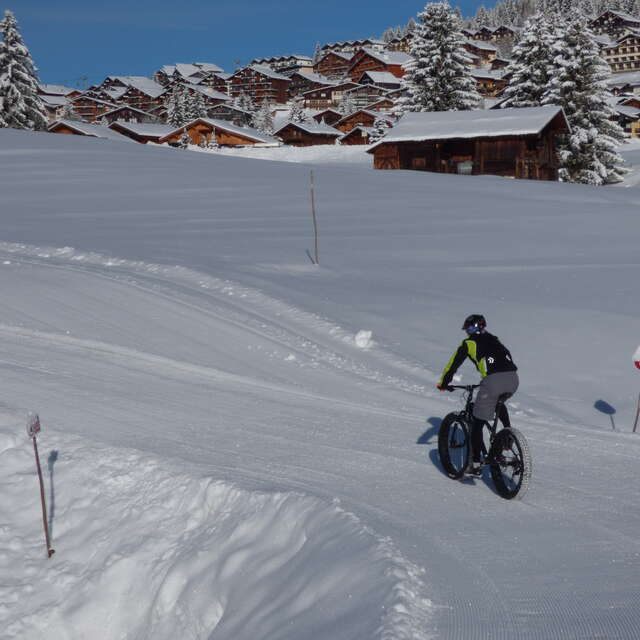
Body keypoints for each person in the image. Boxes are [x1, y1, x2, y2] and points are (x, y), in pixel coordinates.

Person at [437, 314, 519, 475]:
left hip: (493, 381)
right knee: (497, 402)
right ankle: (508, 435)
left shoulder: (469, 343)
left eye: (468, 329)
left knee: (476, 422)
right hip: (513, 379)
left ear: (473, 328)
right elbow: (507, 358)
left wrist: (444, 383)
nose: (467, 332)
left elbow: (452, 364)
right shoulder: (495, 339)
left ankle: (474, 464)